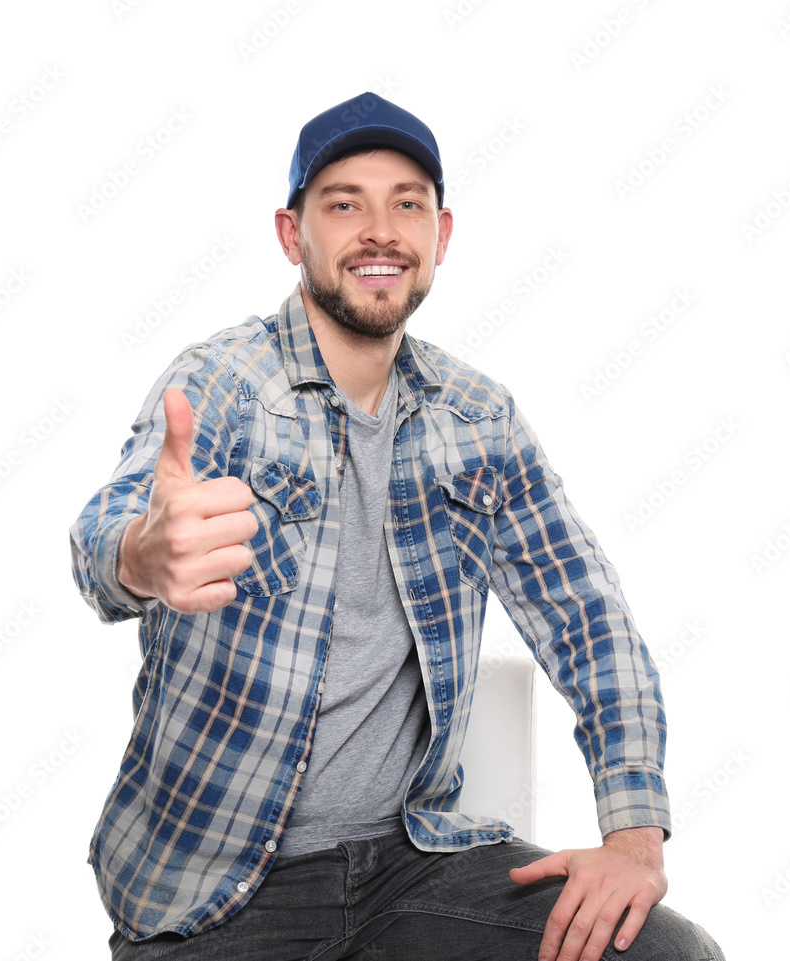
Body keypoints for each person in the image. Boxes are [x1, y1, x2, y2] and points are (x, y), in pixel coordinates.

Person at [70, 93, 723, 961]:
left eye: (406, 203)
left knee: (668, 955)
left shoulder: (477, 417)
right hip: (215, 890)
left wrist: (634, 834)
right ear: (289, 231)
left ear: (441, 235)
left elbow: (586, 615)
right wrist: (144, 555)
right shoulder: (223, 381)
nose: (379, 230)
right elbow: (105, 532)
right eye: (344, 203)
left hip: (409, 870)